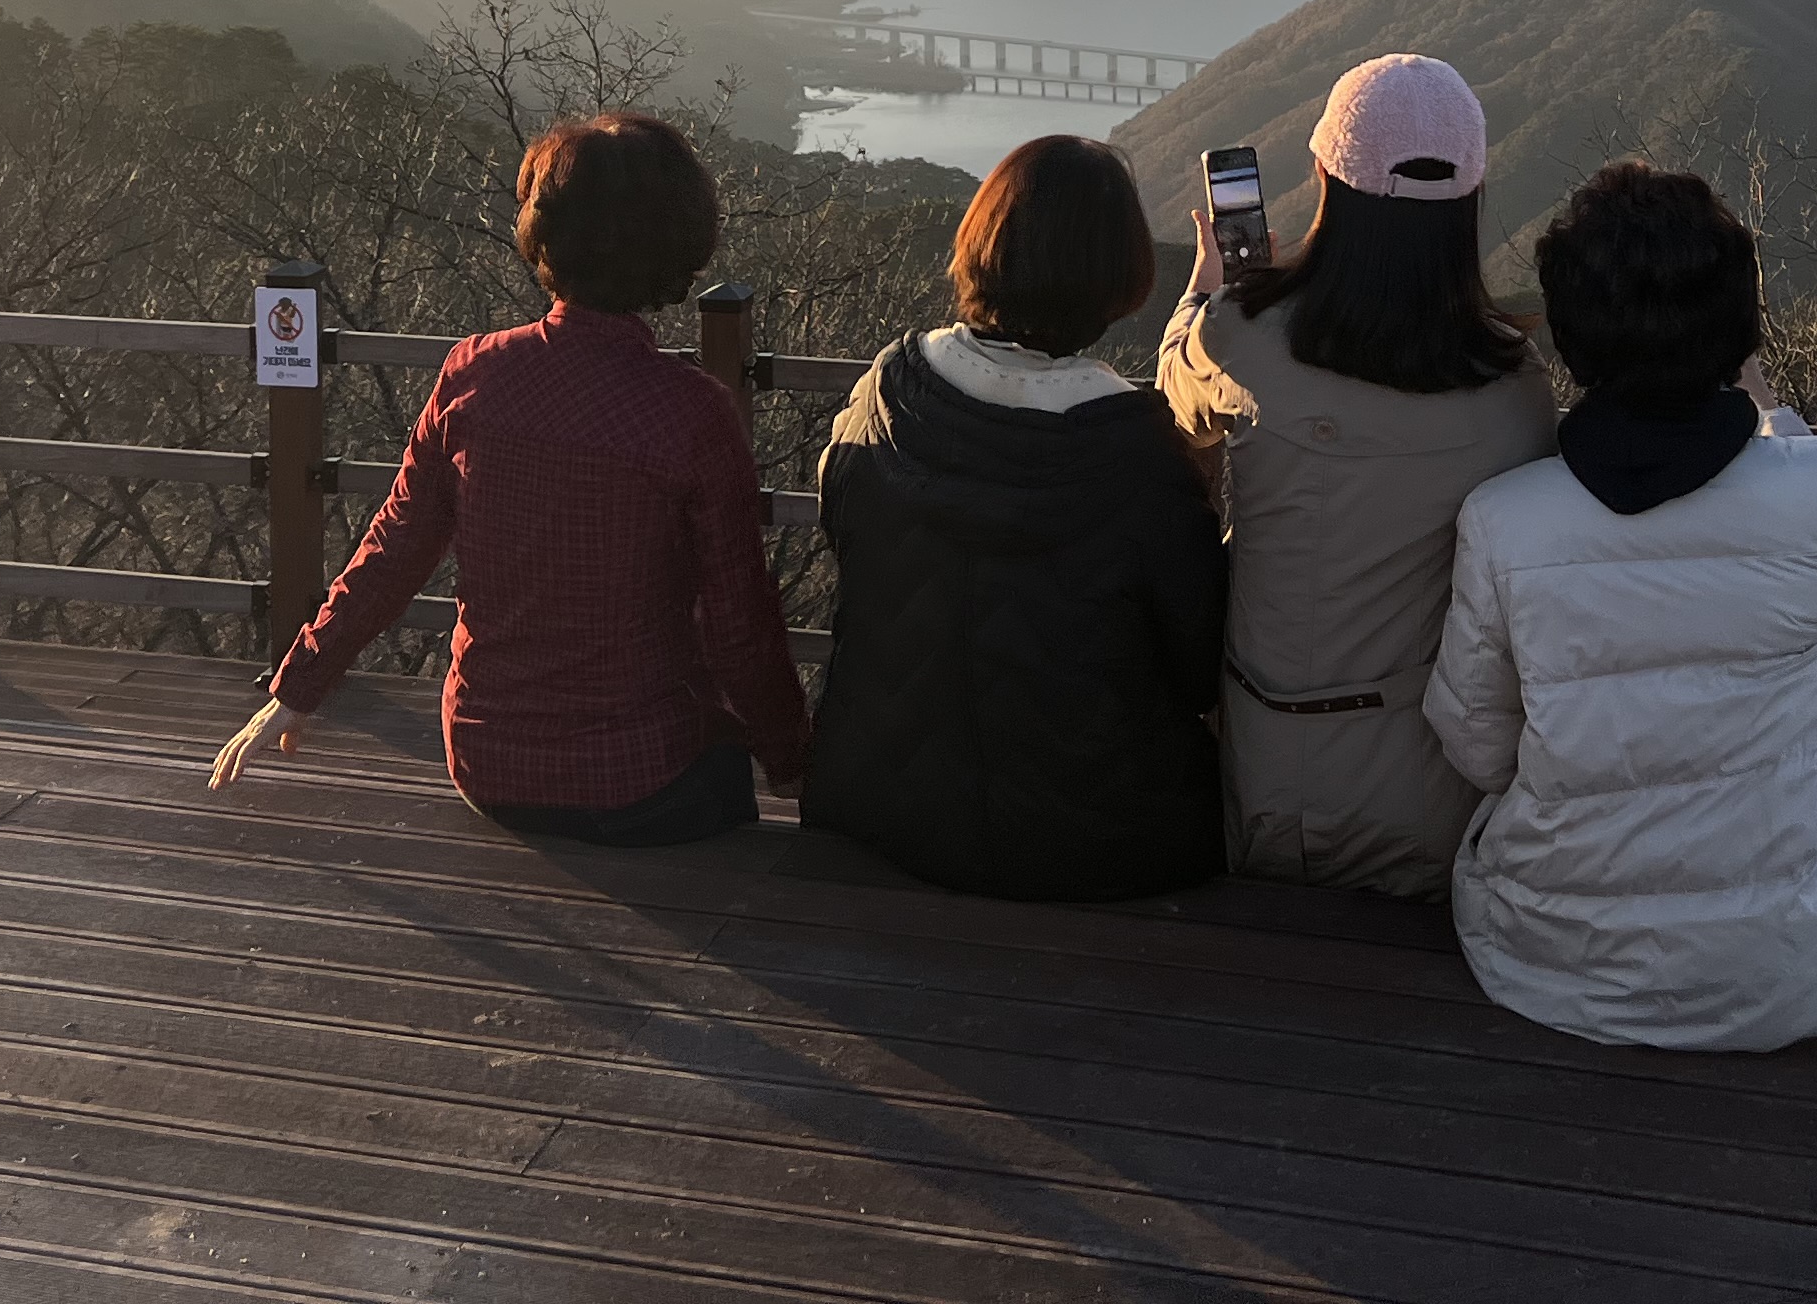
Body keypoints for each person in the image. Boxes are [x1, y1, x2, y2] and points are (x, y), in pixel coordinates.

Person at [211, 109, 810, 846]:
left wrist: (299, 687)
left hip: (486, 763)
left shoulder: (475, 372)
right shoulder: (692, 413)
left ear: (543, 233)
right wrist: (791, 759)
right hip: (638, 778)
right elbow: (739, 624)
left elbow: (396, 547)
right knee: (726, 781)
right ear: (675, 243)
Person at [1428, 163, 1817, 1050]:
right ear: (1738, 328)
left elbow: (1472, 734)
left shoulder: (1505, 521)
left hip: (1563, 960)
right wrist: (1775, 417)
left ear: (1570, 335)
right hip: (1810, 953)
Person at [1160, 53, 1556, 895]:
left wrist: (1204, 298)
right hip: (1432, 779)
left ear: (1325, 180)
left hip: (1262, 764)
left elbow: (1177, 399)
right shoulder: (1515, 387)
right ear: (1469, 202)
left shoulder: (1240, 337)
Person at [806, 134, 1226, 901]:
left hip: (885, 809)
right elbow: (1199, 664)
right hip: (1096, 842)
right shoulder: (1138, 455)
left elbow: (847, 536)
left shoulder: (887, 397)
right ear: (1119, 275)